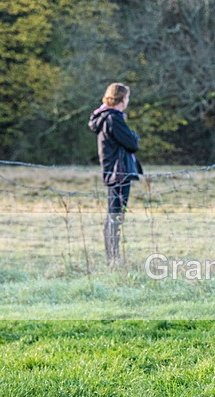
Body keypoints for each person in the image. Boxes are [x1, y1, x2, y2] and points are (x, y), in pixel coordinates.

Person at [88, 83, 142, 264]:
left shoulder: (105, 117)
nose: (128, 101)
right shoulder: (113, 118)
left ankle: (113, 256)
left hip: (113, 171)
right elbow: (132, 143)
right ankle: (113, 257)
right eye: (127, 98)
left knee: (114, 214)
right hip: (119, 172)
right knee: (115, 215)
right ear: (121, 99)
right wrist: (134, 136)